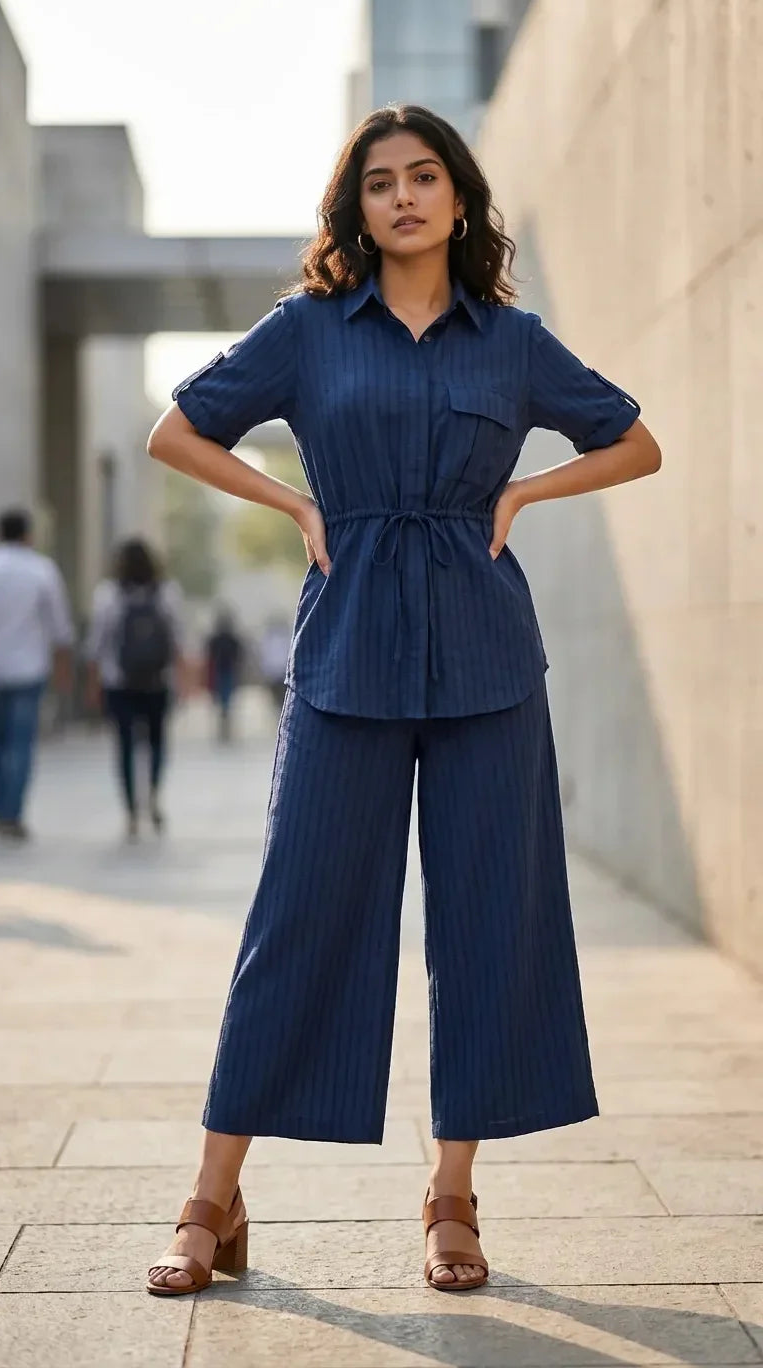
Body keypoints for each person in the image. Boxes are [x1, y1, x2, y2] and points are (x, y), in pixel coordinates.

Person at [145, 103, 661, 1297]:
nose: (405, 198)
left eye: (426, 177)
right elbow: (180, 431)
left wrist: (527, 494)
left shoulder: (514, 343)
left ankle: (451, 1196)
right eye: (381, 183)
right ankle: (212, 1198)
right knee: (301, 915)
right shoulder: (311, 331)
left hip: (488, 658)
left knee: (487, 920)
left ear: (461, 198)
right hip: (345, 657)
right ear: (356, 209)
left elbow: (634, 442)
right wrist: (298, 507)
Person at [85, 538, 186, 840]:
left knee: (126, 747)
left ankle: (130, 810)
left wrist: (93, 685)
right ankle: (153, 794)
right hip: (159, 680)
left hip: (119, 682)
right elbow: (179, 639)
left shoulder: (108, 594)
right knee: (156, 743)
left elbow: (96, 644)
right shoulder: (167, 592)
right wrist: (184, 682)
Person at [0, 508, 74, 839]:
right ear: (28, 534)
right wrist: (63, 673)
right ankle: (12, 814)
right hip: (28, 670)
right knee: (21, 744)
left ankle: (2, 808)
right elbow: (60, 629)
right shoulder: (41, 569)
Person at [205, 608, 245, 741]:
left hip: (221, 671)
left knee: (223, 701)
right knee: (226, 701)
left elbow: (209, 653)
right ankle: (225, 728)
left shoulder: (216, 638)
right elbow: (239, 655)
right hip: (227, 671)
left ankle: (224, 729)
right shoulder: (232, 638)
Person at [256, 614, 291, 713]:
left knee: (279, 701)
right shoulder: (286, 637)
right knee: (281, 700)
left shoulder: (269, 639)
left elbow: (265, 657)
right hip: (280, 673)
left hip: (276, 673)